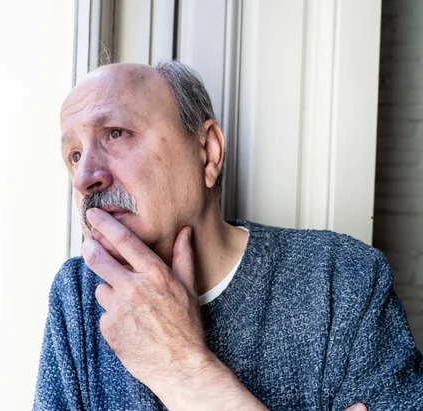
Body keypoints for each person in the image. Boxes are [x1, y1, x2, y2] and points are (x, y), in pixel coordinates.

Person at [33, 61, 423, 410]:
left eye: (117, 133)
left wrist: (184, 370)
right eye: (74, 155)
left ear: (209, 152)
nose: (85, 178)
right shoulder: (78, 296)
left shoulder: (342, 277)